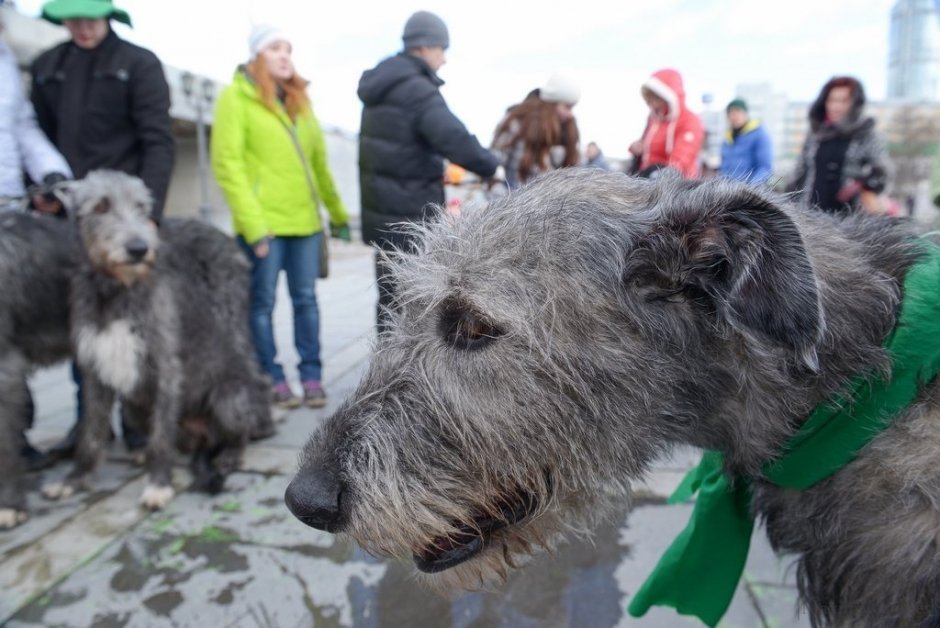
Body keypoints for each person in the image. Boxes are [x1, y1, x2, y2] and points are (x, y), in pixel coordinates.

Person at [30, 0, 175, 458]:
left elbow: (158, 140)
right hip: (76, 224)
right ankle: (89, 425)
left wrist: (148, 215)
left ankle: (138, 424)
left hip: (128, 218)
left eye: (90, 17)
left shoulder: (138, 63)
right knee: (84, 322)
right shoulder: (47, 67)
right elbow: (43, 140)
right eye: (74, 18)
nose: (83, 27)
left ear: (107, 14)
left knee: (138, 323)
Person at [211, 25, 350, 409]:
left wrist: (337, 213)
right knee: (261, 305)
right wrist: (254, 227)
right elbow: (227, 165)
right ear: (257, 56)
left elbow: (319, 166)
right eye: (275, 48)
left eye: (288, 48)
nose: (285, 55)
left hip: (304, 223)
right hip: (265, 227)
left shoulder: (300, 103)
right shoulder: (235, 99)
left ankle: (311, 375)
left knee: (306, 300)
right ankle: (270, 378)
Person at [357, 11, 499, 332]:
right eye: (442, 49)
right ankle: (409, 376)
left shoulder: (381, 87)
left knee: (390, 299)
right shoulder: (416, 88)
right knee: (412, 304)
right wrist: (491, 165)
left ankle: (387, 368)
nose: (444, 59)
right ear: (424, 46)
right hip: (410, 215)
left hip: (382, 214)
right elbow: (452, 136)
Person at [1, 14, 72, 470]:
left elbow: (23, 126)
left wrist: (53, 173)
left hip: (9, 213)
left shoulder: (5, 59)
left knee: (9, 338)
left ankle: (15, 441)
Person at [787, 76, 889, 214]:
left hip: (850, 217)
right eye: (832, 100)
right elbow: (800, 171)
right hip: (811, 213)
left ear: (855, 104)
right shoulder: (816, 133)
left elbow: (881, 172)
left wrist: (861, 186)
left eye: (844, 101)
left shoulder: (865, 133)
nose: (836, 106)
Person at [491, 73, 581, 189]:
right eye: (567, 107)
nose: (570, 114)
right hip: (511, 199)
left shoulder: (567, 134)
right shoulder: (516, 124)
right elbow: (494, 166)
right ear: (552, 103)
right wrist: (503, 200)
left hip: (546, 203)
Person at [628, 68, 704, 179]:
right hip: (647, 179)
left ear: (667, 96)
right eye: (650, 99)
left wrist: (662, 175)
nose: (653, 104)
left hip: (678, 186)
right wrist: (637, 148)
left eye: (656, 98)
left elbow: (682, 159)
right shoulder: (653, 120)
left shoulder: (689, 120)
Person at [718, 98, 773, 184]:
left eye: (737, 111)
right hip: (727, 192)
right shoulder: (727, 138)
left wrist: (750, 188)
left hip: (749, 192)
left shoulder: (760, 135)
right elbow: (724, 167)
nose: (734, 116)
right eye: (730, 113)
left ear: (745, 113)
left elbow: (764, 168)